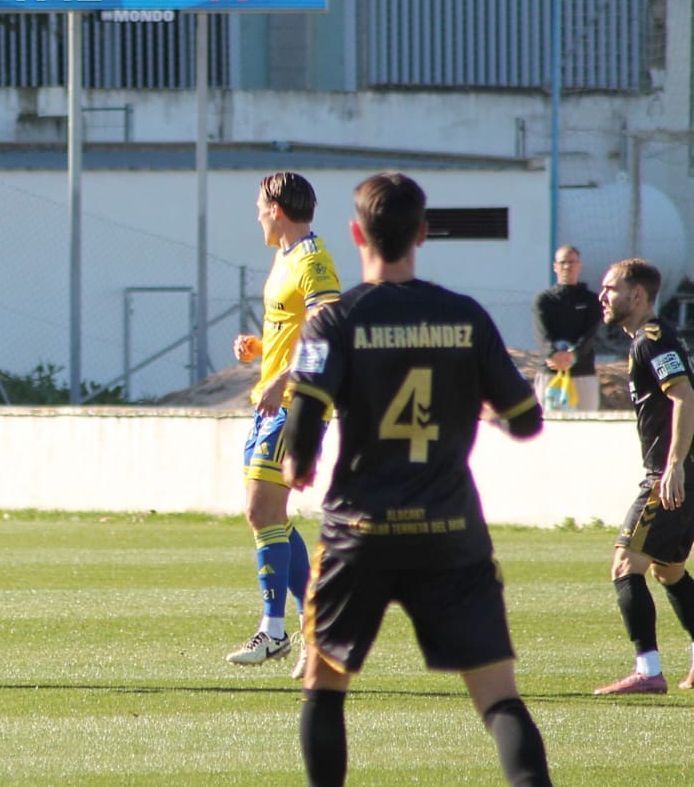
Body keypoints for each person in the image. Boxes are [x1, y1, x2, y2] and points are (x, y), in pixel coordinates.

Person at [283, 172, 552, 787]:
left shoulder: (335, 320)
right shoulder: (466, 317)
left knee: (323, 686)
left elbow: (304, 417)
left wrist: (299, 464)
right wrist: (486, 410)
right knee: (499, 699)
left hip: (360, 530)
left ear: (356, 233)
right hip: (450, 530)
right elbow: (526, 420)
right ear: (422, 233)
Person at [226, 172, 340, 674]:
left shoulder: (312, 260)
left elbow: (330, 332)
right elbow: (294, 328)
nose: (256, 215)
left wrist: (284, 378)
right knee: (269, 515)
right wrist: (261, 349)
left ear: (276, 208)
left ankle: (274, 632)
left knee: (260, 509)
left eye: (259, 206)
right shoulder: (285, 257)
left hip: (299, 402)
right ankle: (317, 628)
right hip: (272, 400)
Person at [590, 257, 694, 695]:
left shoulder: (652, 338)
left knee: (624, 563)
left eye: (610, 288)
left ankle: (648, 670)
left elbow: (684, 396)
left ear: (636, 295)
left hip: (670, 473)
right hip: (681, 471)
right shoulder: (646, 340)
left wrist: (673, 466)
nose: (602, 296)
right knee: (668, 571)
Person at [532, 244, 603, 410]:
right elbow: (541, 333)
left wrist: (573, 355)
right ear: (555, 266)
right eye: (563, 262)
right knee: (548, 422)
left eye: (572, 262)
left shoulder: (591, 300)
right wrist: (552, 354)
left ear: (579, 266)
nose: (567, 266)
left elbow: (590, 334)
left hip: (582, 373)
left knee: (587, 421)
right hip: (551, 372)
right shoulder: (544, 299)